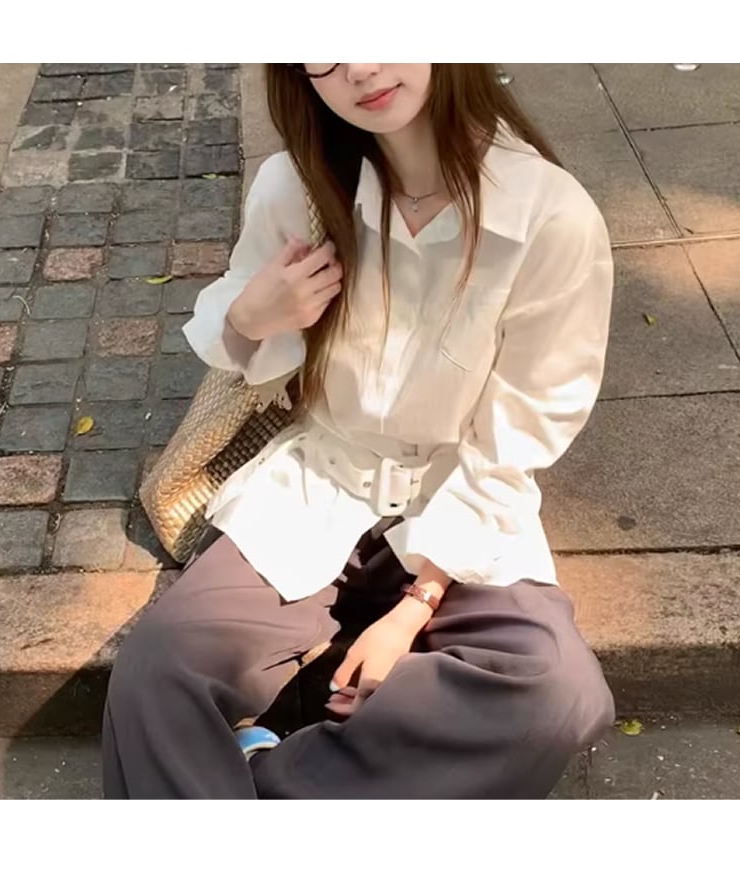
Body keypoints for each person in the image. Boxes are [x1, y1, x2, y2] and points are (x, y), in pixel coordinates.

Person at [102, 63, 616, 799]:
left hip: (460, 503)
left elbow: (521, 433)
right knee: (158, 671)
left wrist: (414, 608)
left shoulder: (549, 216)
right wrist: (253, 315)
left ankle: (257, 784)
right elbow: (235, 335)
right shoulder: (298, 187)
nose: (362, 68)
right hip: (318, 484)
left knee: (555, 694)